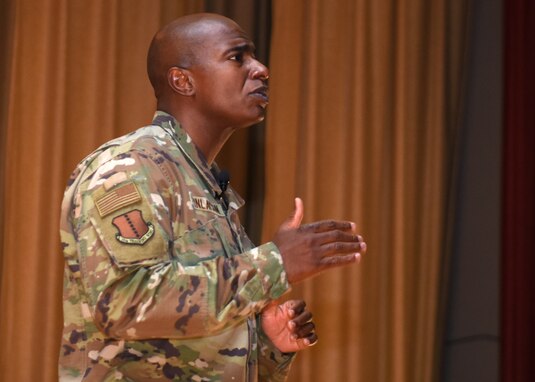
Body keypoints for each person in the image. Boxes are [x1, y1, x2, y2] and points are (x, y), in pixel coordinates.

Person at [59, 13, 366, 381]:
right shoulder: (129, 166)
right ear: (182, 81)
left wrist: (267, 344)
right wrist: (275, 263)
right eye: (238, 58)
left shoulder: (208, 188)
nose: (262, 69)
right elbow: (126, 303)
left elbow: (190, 351)